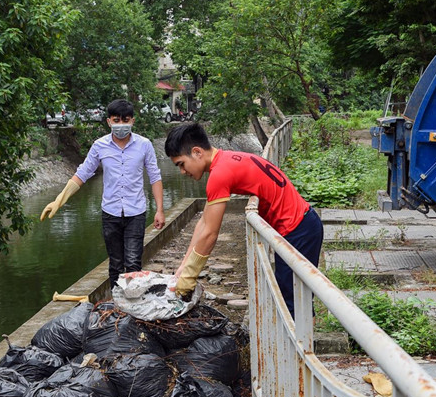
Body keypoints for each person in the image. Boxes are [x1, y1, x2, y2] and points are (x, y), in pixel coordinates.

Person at [164, 122, 322, 317]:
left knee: (294, 302)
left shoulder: (219, 174)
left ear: (197, 152)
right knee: (292, 296)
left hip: (298, 229)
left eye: (181, 164)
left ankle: (304, 346)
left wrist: (189, 277)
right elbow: (204, 222)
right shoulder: (226, 160)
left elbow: (210, 234)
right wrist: (183, 267)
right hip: (301, 224)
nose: (182, 171)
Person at [40, 99, 165, 287]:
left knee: (132, 263)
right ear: (109, 122)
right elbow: (83, 173)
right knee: (115, 264)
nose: (121, 125)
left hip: (136, 212)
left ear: (133, 121)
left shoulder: (144, 145)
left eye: (126, 120)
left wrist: (160, 209)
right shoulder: (100, 146)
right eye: (117, 120)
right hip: (110, 213)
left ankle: (132, 305)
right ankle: (117, 303)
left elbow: (155, 177)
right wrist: (59, 200)